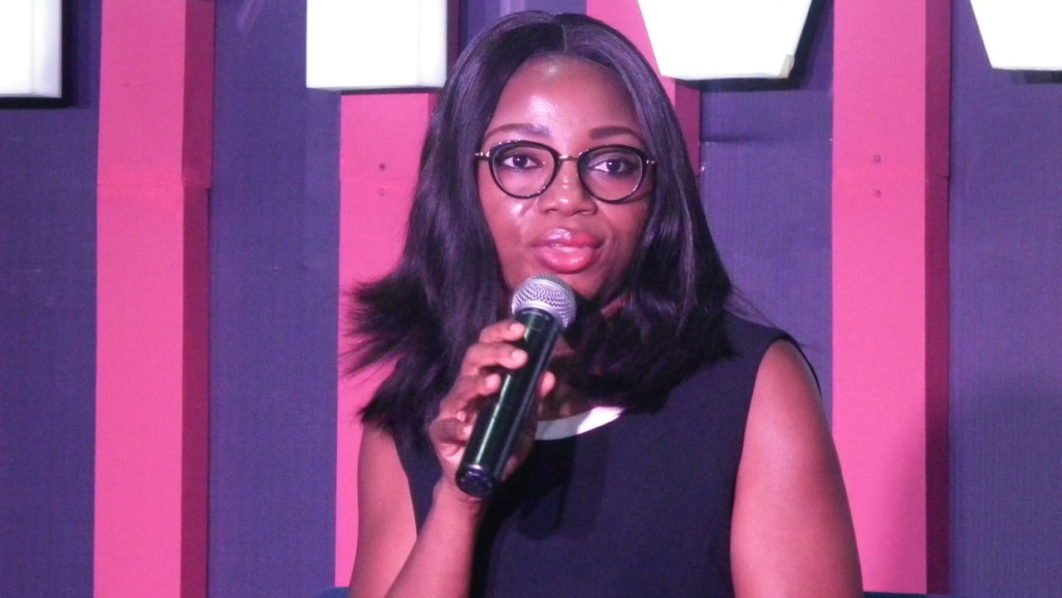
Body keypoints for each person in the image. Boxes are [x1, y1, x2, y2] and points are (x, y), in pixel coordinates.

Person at [347, 11, 861, 598]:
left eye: (613, 165)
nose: (569, 197)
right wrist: (459, 501)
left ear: (656, 195)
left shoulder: (746, 388)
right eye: (521, 160)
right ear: (461, 185)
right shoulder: (416, 411)